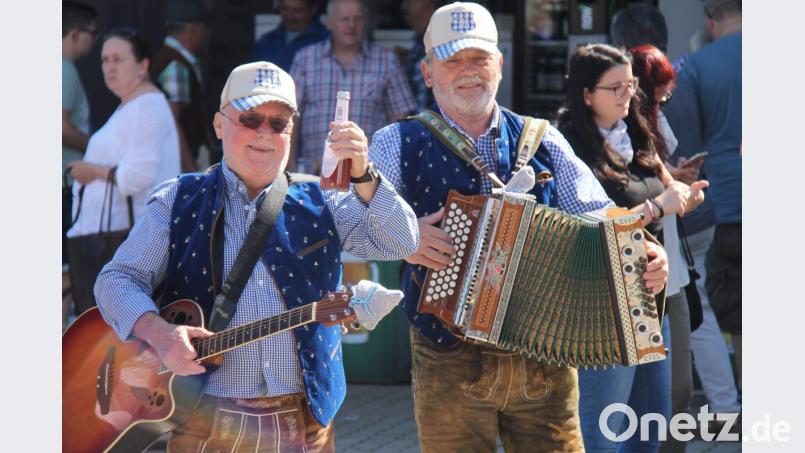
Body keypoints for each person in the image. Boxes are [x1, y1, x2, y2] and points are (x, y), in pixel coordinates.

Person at [369, 4, 669, 451]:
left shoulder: (541, 138)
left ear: (500, 65)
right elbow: (357, 226)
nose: (468, 72)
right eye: (453, 61)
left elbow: (597, 211)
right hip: (447, 356)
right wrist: (405, 238)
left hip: (544, 354)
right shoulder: (395, 141)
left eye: (479, 59)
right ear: (428, 72)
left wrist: (641, 247)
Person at [93, 60, 419, 451]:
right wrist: (161, 336)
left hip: (307, 423)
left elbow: (403, 242)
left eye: (278, 123)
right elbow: (116, 280)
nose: (265, 133)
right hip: (202, 421)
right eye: (251, 118)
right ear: (219, 125)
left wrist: (365, 175)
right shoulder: (178, 199)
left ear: (291, 132)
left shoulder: (324, 200)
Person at [555, 43, 706, 452]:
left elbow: (665, 188)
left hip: (650, 294)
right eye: (616, 87)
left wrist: (684, 197)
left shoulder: (636, 132)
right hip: (601, 302)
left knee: (650, 423)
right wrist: (658, 206)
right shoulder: (565, 149)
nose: (628, 95)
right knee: (604, 430)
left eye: (632, 85)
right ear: (587, 94)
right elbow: (587, 227)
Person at [610, 5, 741, 433]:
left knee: (706, 322)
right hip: (685, 228)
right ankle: (728, 410)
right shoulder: (678, 75)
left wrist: (671, 188)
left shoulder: (691, 72)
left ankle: (723, 410)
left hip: (687, 229)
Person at [66, 28, 181, 317]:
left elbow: (137, 177)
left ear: (142, 66)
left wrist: (90, 171)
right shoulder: (132, 105)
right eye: (105, 60)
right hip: (108, 241)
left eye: (118, 59)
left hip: (122, 244)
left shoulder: (146, 106)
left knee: (107, 336)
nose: (109, 67)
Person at [663, 0, 742, 407]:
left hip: (726, 202)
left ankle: (740, 406)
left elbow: (685, 135)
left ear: (709, 19)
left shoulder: (695, 66)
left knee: (729, 312)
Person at [290, 0, 416, 174]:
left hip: (369, 175)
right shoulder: (305, 59)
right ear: (329, 22)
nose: (352, 25)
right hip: (315, 175)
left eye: (358, 19)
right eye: (345, 19)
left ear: (367, 22)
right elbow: (291, 117)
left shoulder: (386, 60)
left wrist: (393, 171)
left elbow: (402, 121)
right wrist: (289, 168)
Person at [150, 0, 210, 173]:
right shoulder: (175, 64)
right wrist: (191, 169)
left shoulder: (166, 58)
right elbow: (172, 121)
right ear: (195, 31)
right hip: (179, 165)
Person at [62, 1, 97, 174]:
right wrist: (98, 146)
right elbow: (61, 127)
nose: (95, 39)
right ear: (75, 34)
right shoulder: (65, 70)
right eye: (93, 33)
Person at [251, 0, 329, 72]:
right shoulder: (267, 42)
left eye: (297, 11)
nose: (290, 16)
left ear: (313, 9)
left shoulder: (326, 40)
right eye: (285, 9)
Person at [400, 0, 438, 113]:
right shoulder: (418, 42)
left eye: (409, 2)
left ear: (426, 3)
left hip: (436, 126)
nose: (403, 6)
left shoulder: (439, 41)